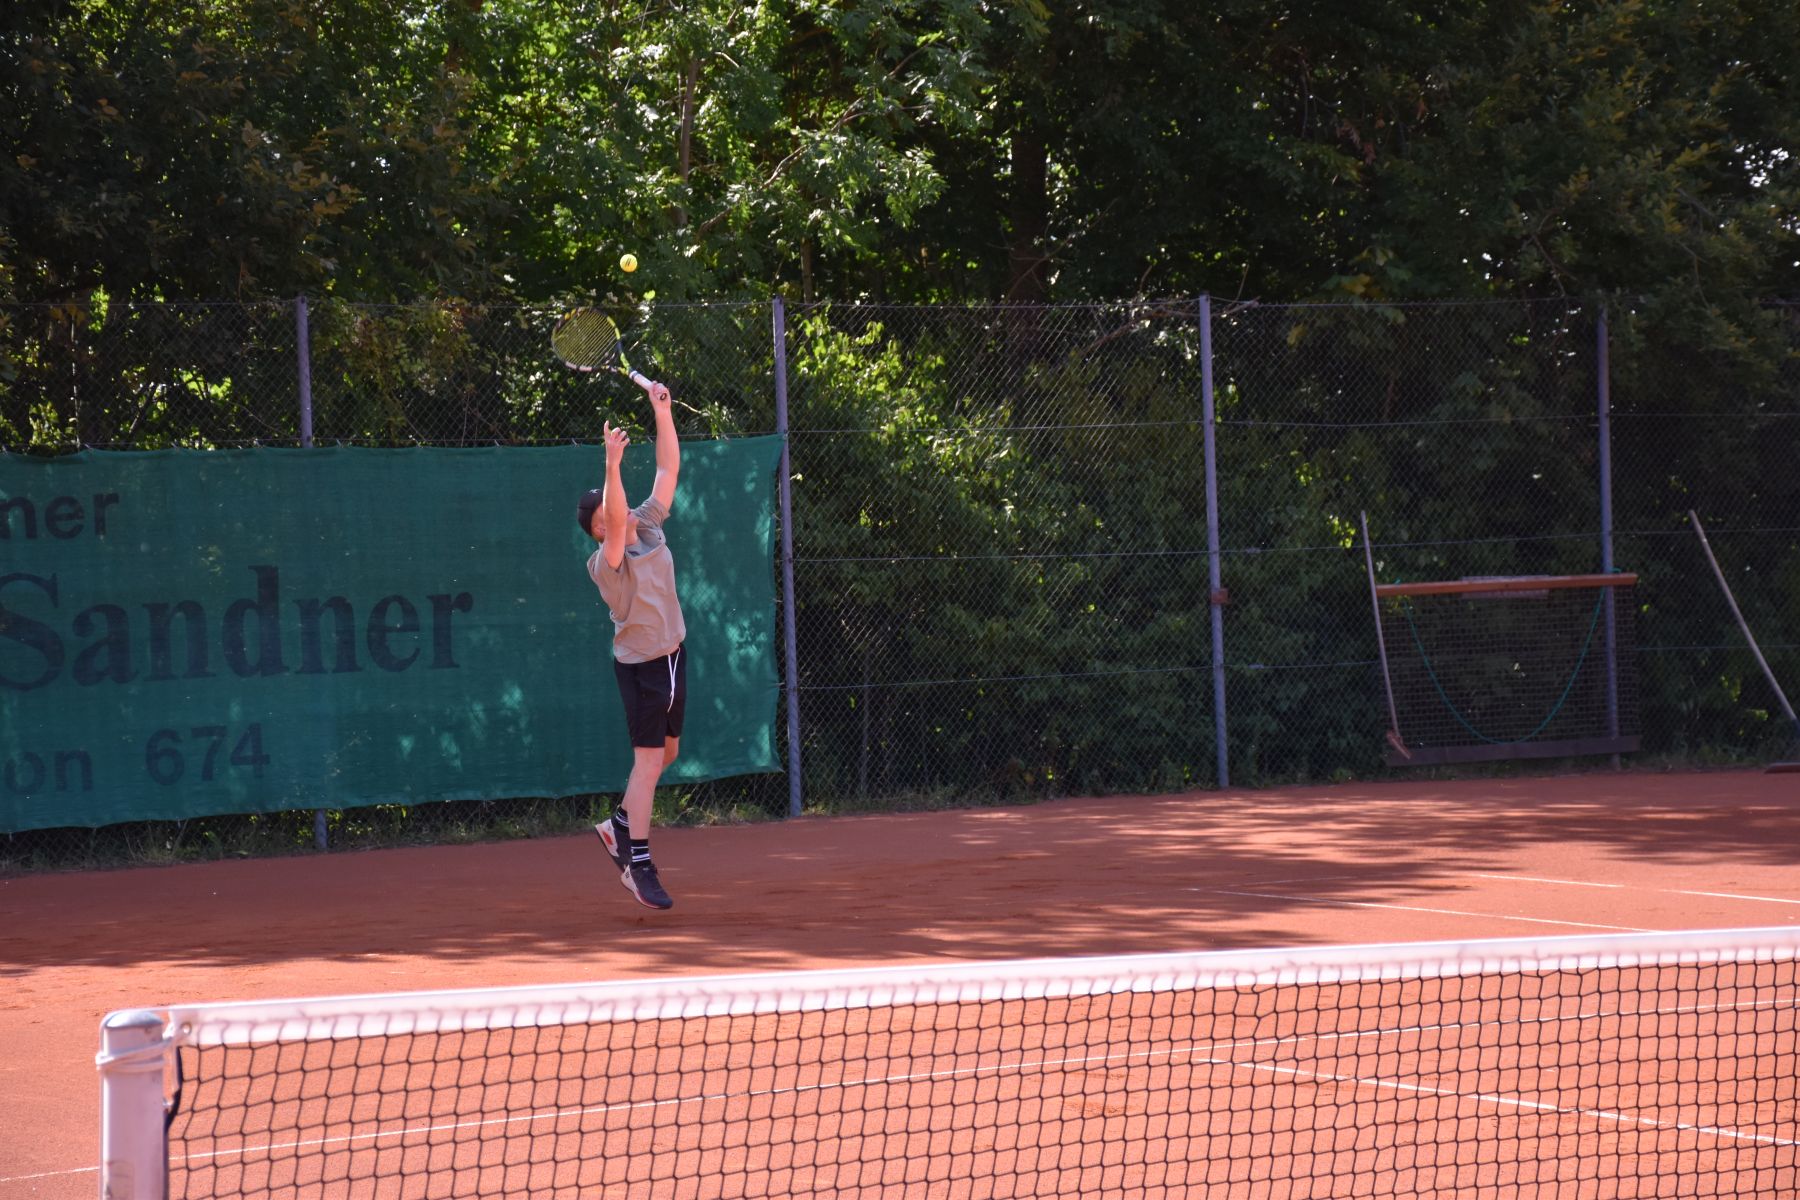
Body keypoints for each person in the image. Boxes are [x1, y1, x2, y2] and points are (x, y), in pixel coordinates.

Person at [576, 381, 683, 910]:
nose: (616, 516)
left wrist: (662, 413)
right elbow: (617, 522)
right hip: (642, 667)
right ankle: (637, 863)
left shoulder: (649, 525)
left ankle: (618, 823)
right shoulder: (607, 561)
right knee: (648, 761)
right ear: (600, 532)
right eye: (605, 518)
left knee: (668, 752)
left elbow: (667, 471)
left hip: (673, 656)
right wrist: (612, 465)